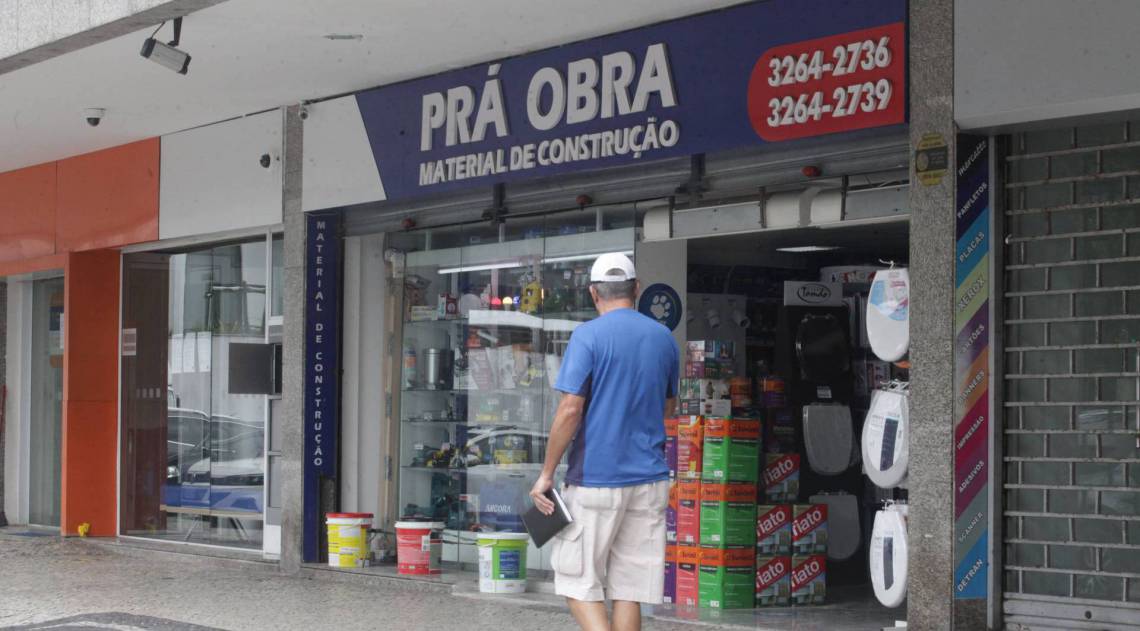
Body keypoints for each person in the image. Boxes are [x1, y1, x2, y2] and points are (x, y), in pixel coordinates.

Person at [530, 252, 679, 631]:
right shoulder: (663, 339)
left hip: (596, 479)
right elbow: (668, 406)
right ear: (637, 290)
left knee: (577, 580)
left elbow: (569, 410)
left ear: (594, 293)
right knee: (629, 589)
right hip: (649, 480)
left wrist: (546, 473)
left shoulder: (588, 336)